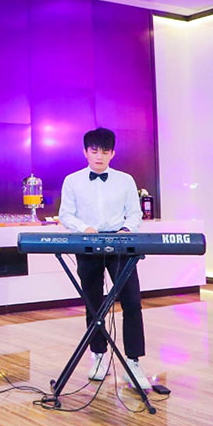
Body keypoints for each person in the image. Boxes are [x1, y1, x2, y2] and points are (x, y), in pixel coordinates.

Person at [57, 127, 150, 389]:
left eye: (105, 151)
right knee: (94, 303)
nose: (99, 156)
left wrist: (125, 230)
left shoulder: (126, 180)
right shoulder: (72, 181)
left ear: (113, 153)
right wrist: (84, 228)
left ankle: (133, 362)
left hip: (120, 244)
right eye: (94, 150)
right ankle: (98, 356)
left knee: (132, 302)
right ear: (85, 152)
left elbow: (135, 214)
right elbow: (66, 214)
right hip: (88, 243)